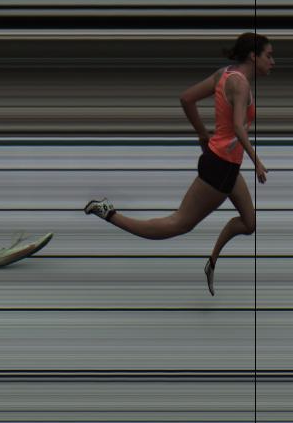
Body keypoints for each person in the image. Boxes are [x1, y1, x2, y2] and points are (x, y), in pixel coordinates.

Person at [86, 33, 272, 294]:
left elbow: (187, 98)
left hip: (224, 164)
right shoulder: (240, 85)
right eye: (268, 56)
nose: (272, 62)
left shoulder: (224, 74)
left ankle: (211, 262)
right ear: (253, 56)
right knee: (179, 224)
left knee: (250, 223)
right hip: (221, 168)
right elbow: (239, 128)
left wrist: (203, 135)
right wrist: (258, 162)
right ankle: (109, 213)